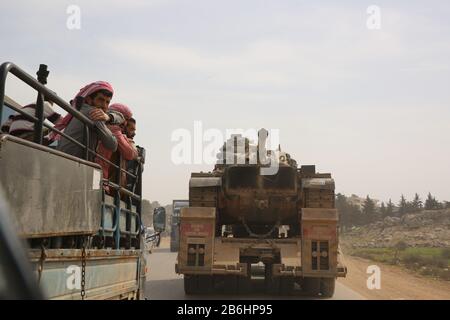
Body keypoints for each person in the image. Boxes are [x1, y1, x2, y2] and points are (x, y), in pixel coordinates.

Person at [55, 81, 124, 161]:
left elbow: (121, 117)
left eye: (107, 102)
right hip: (73, 163)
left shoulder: (81, 109)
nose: (104, 105)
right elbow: (112, 145)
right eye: (101, 100)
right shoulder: (93, 113)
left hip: (62, 159)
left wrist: (108, 117)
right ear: (89, 99)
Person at [95, 103, 138, 193]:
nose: (125, 122)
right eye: (125, 119)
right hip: (102, 180)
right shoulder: (114, 129)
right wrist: (126, 140)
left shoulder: (100, 123)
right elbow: (130, 154)